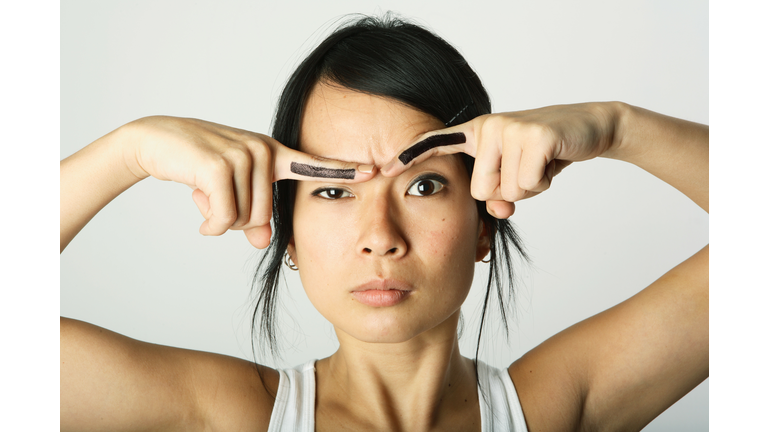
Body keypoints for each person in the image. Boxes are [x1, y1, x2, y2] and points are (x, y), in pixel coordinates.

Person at [60, 15, 708, 432]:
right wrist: (131, 150)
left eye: (423, 185)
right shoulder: (227, 415)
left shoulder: (552, 408)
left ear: (484, 225)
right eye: (333, 192)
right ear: (287, 235)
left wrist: (619, 128)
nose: (380, 235)